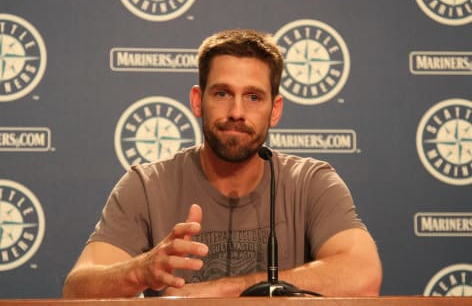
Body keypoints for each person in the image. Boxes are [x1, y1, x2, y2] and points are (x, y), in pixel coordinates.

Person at [62, 29, 382, 298]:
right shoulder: (147, 185)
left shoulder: (311, 182)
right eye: (223, 94)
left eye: (254, 97)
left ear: (276, 109)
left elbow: (364, 275)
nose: (237, 112)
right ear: (198, 101)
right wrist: (141, 270)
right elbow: (76, 290)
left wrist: (218, 291)